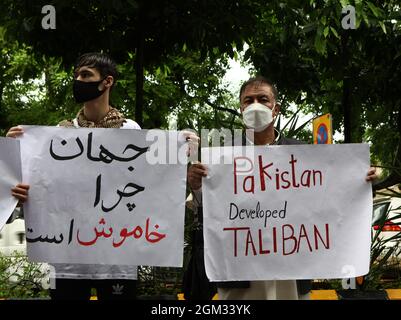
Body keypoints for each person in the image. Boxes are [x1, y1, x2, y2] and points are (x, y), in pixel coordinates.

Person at [187, 76, 378, 300]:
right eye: (248, 101)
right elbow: (209, 210)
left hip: (292, 273)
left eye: (263, 99)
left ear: (275, 109)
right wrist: (196, 185)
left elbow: (331, 197)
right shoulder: (222, 158)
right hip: (240, 274)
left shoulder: (305, 154)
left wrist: (363, 180)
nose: (255, 105)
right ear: (240, 109)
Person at [7, 52, 140, 300]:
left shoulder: (132, 132)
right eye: (77, 75)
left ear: (107, 82)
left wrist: (178, 152)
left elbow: (146, 187)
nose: (78, 80)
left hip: (116, 259)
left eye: (86, 75)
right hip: (68, 259)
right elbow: (43, 188)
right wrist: (15, 163)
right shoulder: (59, 135)